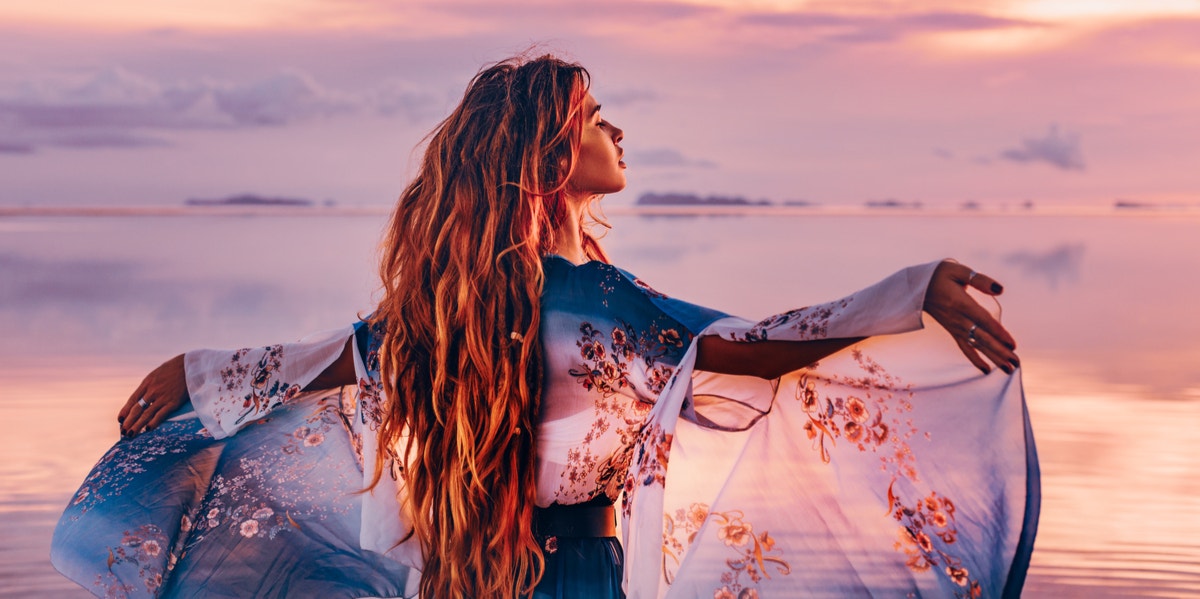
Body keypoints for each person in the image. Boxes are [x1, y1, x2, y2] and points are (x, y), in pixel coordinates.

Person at [52, 54, 1037, 598]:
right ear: (550, 150)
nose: (618, 132)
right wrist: (910, 292)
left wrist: (205, 371)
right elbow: (743, 344)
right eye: (599, 116)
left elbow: (337, 359)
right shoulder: (589, 298)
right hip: (566, 576)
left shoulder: (453, 298)